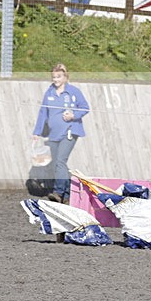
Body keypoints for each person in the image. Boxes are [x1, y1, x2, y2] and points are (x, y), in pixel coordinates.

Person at [32, 63, 90, 204]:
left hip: (70, 131)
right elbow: (43, 112)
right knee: (58, 164)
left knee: (60, 161)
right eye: (54, 77)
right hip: (54, 133)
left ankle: (58, 192)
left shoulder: (73, 92)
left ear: (65, 77)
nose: (56, 80)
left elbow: (85, 108)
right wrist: (37, 132)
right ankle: (69, 192)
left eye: (58, 77)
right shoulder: (49, 92)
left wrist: (73, 115)